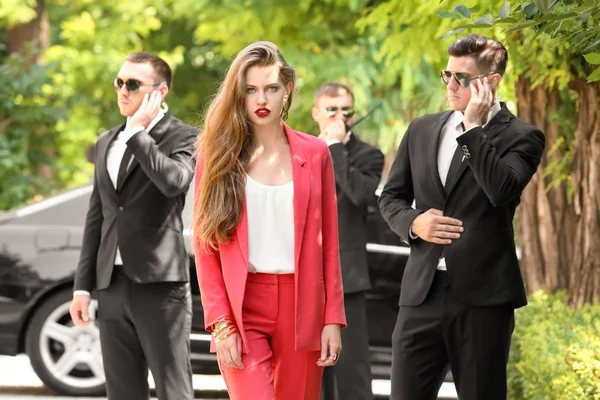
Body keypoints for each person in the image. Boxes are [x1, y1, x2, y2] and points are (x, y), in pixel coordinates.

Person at [378, 34, 545, 400]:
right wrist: (413, 224)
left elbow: (501, 191)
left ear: (491, 82)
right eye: (446, 75)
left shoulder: (524, 136)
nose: (451, 85)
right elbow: (391, 198)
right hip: (420, 296)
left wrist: (472, 129)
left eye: (462, 78)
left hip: (483, 300)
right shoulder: (422, 129)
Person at [191, 41, 346, 400]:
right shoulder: (217, 156)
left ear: (287, 90)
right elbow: (205, 245)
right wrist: (221, 323)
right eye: (250, 90)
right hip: (242, 306)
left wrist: (332, 318)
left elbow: (330, 241)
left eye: (271, 89)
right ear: (239, 94)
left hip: (302, 302)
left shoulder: (315, 152)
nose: (261, 100)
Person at [69, 52, 197, 400]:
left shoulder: (185, 137)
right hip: (112, 284)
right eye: (119, 82)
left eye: (133, 84)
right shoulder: (106, 142)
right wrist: (83, 287)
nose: (122, 91)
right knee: (122, 392)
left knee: (174, 390)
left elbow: (174, 182)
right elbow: (98, 216)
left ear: (160, 92)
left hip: (161, 286)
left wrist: (139, 133)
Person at [312, 83, 384, 400]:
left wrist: (335, 148)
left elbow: (360, 195)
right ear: (317, 113)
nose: (341, 116)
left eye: (347, 111)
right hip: (302, 278)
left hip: (347, 279)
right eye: (332, 110)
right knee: (310, 374)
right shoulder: (298, 150)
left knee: (351, 372)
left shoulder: (369, 155)